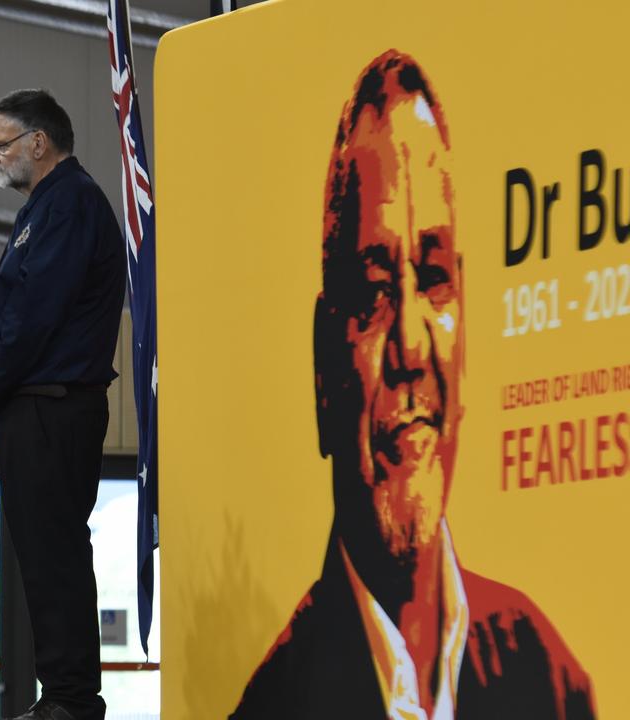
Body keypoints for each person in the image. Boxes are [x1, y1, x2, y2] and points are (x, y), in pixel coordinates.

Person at [231, 51, 595, 719]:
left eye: (433, 279)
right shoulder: (275, 705)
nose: (411, 345)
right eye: (372, 295)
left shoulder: (553, 677)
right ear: (323, 370)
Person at [0, 89, 124, 720]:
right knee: (43, 556)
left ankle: (71, 701)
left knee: (54, 555)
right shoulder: (46, 207)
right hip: (38, 407)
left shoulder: (72, 203)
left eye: (1, 144)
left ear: (39, 142)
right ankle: (60, 695)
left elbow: (33, 314)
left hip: (54, 406)